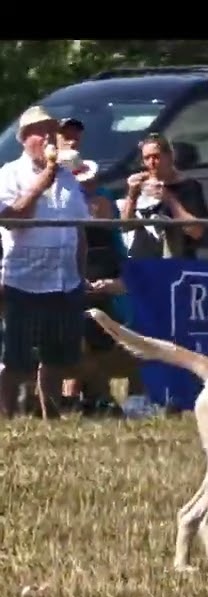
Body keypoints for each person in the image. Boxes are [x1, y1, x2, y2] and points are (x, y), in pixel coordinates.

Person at [0, 106, 92, 419]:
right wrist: (42, 182)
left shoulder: (68, 177)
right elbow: (12, 219)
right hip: (24, 280)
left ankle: (49, 416)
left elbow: (78, 229)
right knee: (16, 358)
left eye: (53, 131)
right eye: (41, 131)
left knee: (56, 358)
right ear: (25, 139)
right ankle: (6, 417)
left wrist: (81, 275)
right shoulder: (9, 174)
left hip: (64, 280)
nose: (50, 137)